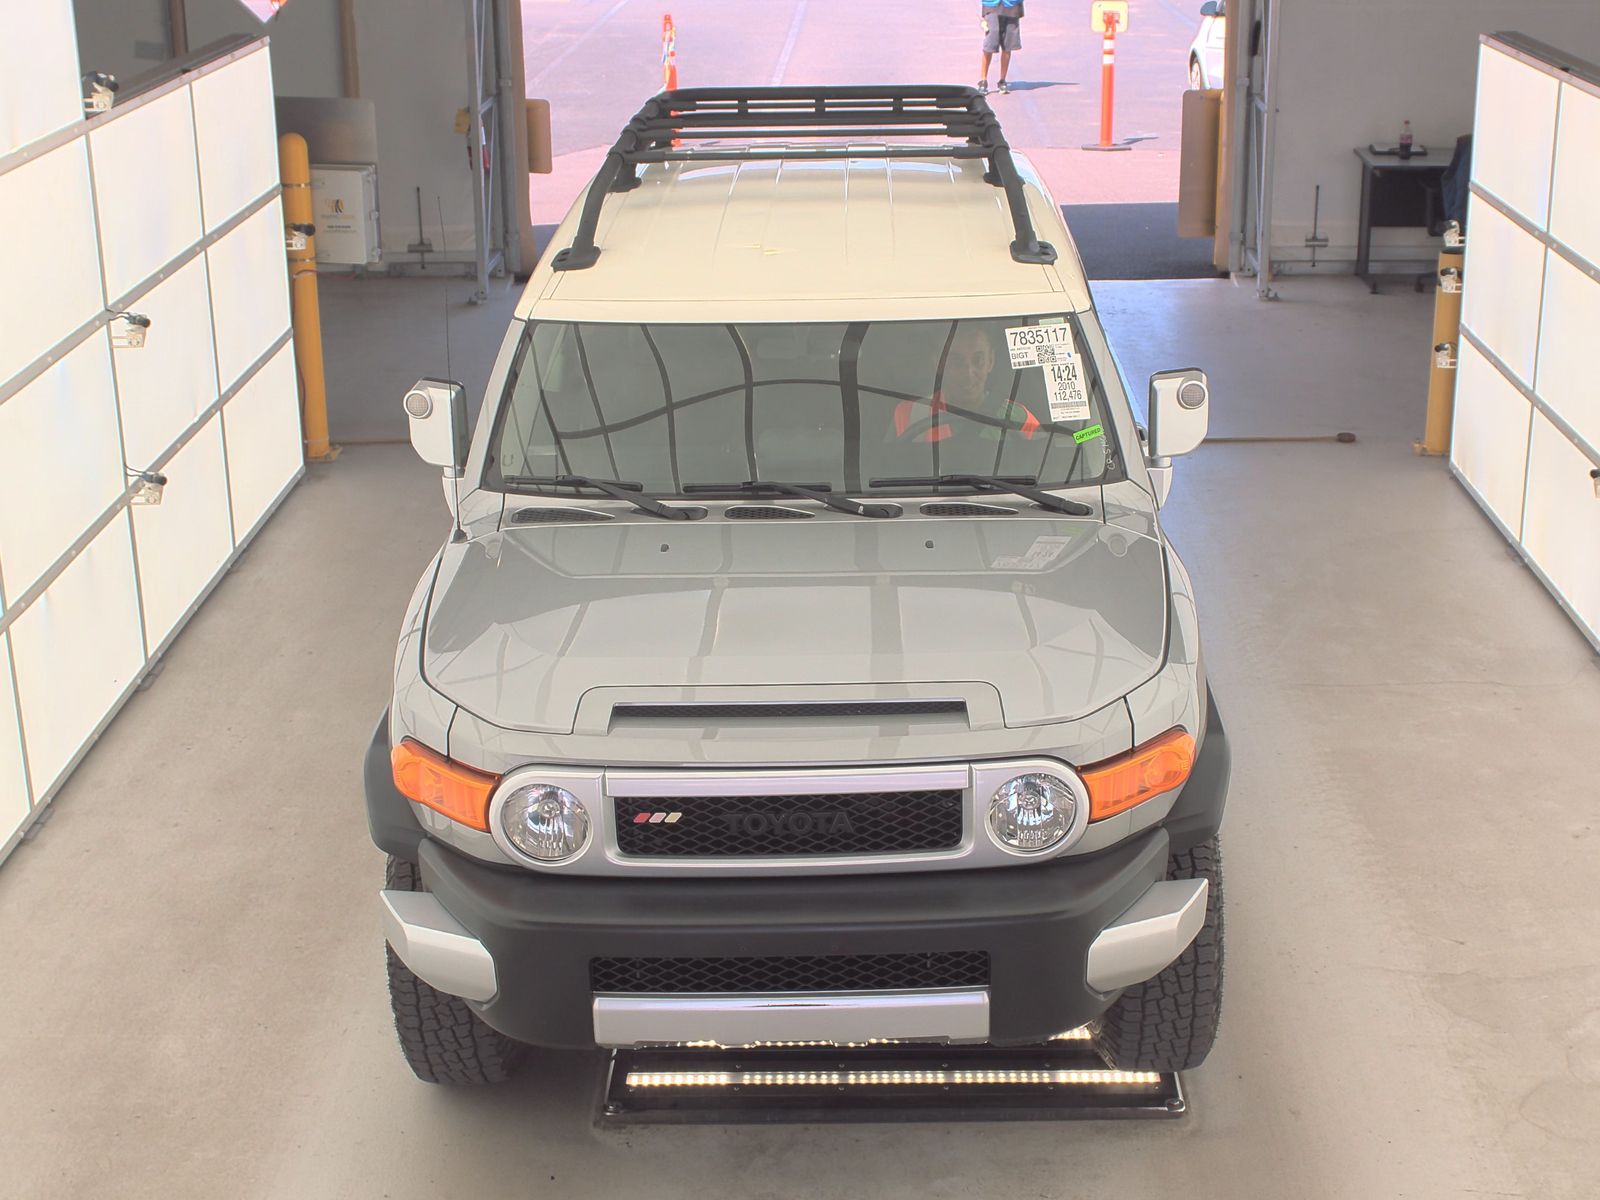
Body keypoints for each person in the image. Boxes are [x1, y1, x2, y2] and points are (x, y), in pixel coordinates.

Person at [893, 324, 1040, 444]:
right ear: (939, 363)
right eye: (957, 362)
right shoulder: (909, 415)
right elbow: (886, 467)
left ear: (991, 361)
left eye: (978, 360)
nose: (968, 374)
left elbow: (1047, 468)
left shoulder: (1019, 419)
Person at [979, 0, 1024, 95]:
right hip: (991, 5)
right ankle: (983, 80)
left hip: (1012, 5)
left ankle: (1002, 80)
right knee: (990, 42)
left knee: (1008, 45)